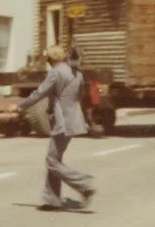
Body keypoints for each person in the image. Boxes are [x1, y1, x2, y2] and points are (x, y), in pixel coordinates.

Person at [9, 45, 96, 210]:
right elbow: (79, 95)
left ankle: (84, 185)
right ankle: (52, 199)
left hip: (62, 122)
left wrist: (19, 107)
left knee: (51, 161)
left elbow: (39, 93)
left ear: (51, 59)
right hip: (74, 119)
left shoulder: (56, 72)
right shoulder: (76, 73)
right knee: (55, 158)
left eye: (47, 59)